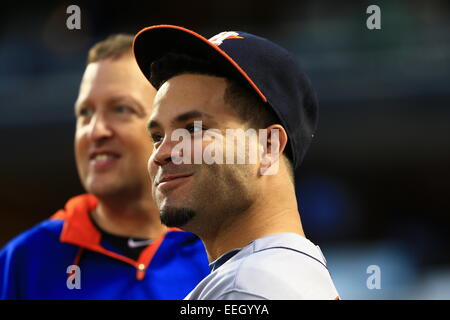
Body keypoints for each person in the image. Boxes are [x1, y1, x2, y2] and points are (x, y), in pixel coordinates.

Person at [133, 25, 340, 299]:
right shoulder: (290, 275)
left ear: (268, 147)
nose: (162, 153)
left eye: (193, 129)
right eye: (157, 137)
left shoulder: (247, 287)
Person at [0, 34, 209, 299]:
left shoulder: (222, 249)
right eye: (85, 113)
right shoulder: (23, 261)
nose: (95, 130)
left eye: (121, 109)